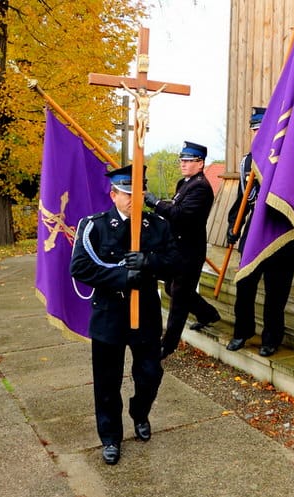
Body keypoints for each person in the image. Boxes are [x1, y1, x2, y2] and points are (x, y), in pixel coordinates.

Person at [69, 164, 179, 465]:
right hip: (109, 315)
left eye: (139, 192)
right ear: (113, 194)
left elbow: (174, 263)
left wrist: (149, 261)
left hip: (145, 314)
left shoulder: (157, 226)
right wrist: (121, 278)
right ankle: (110, 438)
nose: (134, 198)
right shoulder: (94, 226)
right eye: (127, 193)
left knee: (150, 375)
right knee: (107, 382)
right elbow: (79, 267)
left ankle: (139, 412)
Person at [225, 107, 294, 357]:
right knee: (245, 284)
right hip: (254, 231)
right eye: (254, 130)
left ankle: (271, 338)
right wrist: (233, 225)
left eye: (262, 129)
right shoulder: (247, 162)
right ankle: (242, 331)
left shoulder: (286, 160)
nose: (257, 134)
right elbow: (242, 198)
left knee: (276, 292)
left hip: (282, 231)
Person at [144, 141, 221, 359]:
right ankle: (208, 314)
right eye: (182, 161)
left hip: (189, 251)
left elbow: (182, 216)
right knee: (173, 289)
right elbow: (175, 208)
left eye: (188, 161)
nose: (183, 165)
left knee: (178, 299)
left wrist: (156, 203)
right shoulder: (184, 183)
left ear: (200, 163)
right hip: (176, 248)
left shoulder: (201, 187)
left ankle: (166, 346)